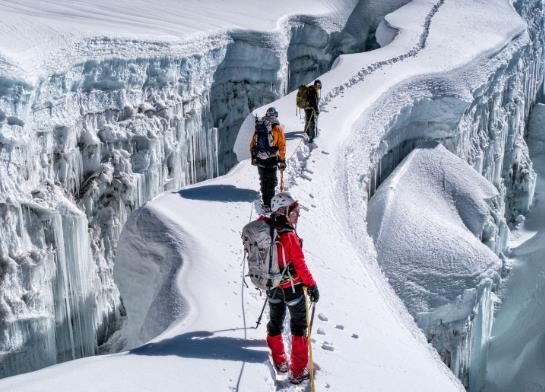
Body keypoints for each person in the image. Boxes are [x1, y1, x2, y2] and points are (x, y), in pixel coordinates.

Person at [262, 192, 319, 384]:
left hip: (273, 286)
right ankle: (297, 370)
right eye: (294, 211)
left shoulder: (266, 229)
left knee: (275, 321)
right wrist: (311, 285)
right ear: (282, 211)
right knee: (299, 326)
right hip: (292, 287)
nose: (297, 215)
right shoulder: (288, 235)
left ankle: (280, 362)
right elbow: (300, 264)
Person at [249, 107, 286, 211]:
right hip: (272, 158)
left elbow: (252, 144)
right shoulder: (278, 128)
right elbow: (282, 146)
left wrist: (255, 156)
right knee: (271, 181)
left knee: (264, 180)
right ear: (275, 115)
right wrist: (282, 160)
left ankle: (265, 202)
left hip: (260, 158)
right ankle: (270, 205)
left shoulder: (260, 126)